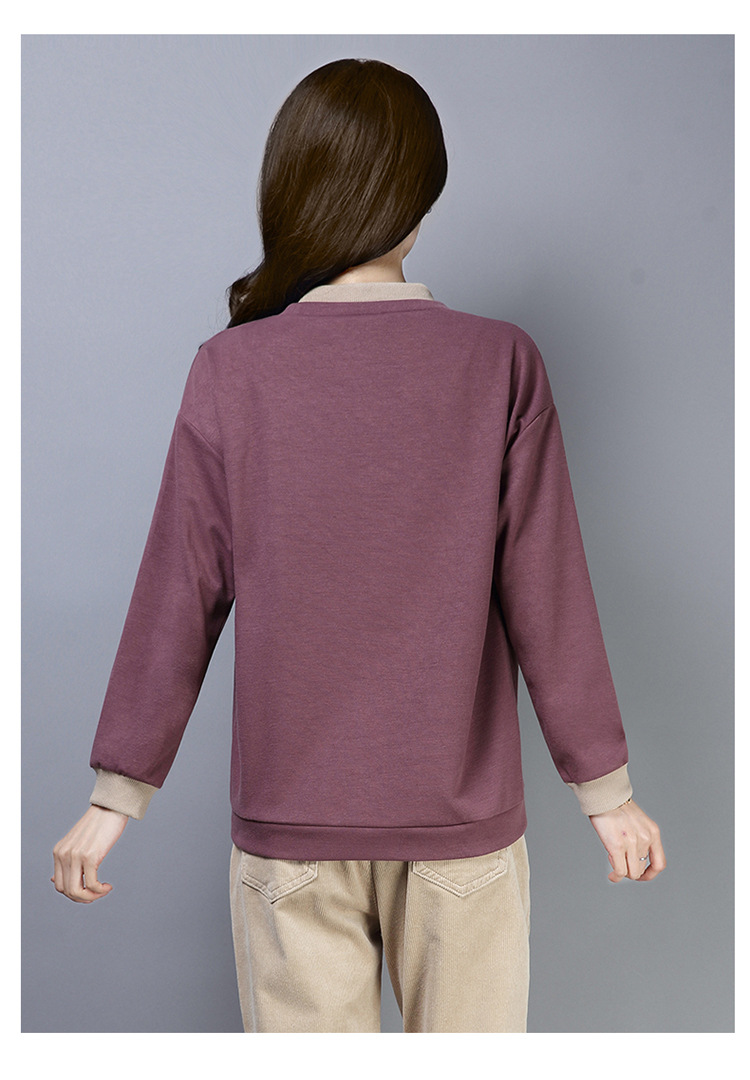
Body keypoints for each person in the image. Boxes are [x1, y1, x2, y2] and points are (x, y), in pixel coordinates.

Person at [51, 57, 666, 1033]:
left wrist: (115, 795)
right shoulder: (498, 363)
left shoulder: (232, 371)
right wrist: (607, 792)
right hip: (462, 839)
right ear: (420, 199)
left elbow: (179, 590)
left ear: (293, 193)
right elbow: (548, 593)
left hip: (291, 839)